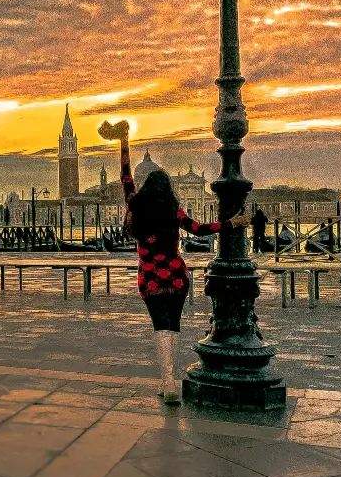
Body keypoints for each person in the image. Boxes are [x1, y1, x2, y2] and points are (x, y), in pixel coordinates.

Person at [99, 120, 248, 405]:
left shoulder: (136, 205)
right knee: (175, 325)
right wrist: (232, 222)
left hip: (151, 278)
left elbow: (125, 177)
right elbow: (200, 229)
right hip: (177, 277)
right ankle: (173, 380)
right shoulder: (173, 209)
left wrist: (124, 141)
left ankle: (168, 382)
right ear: (169, 188)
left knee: (160, 327)